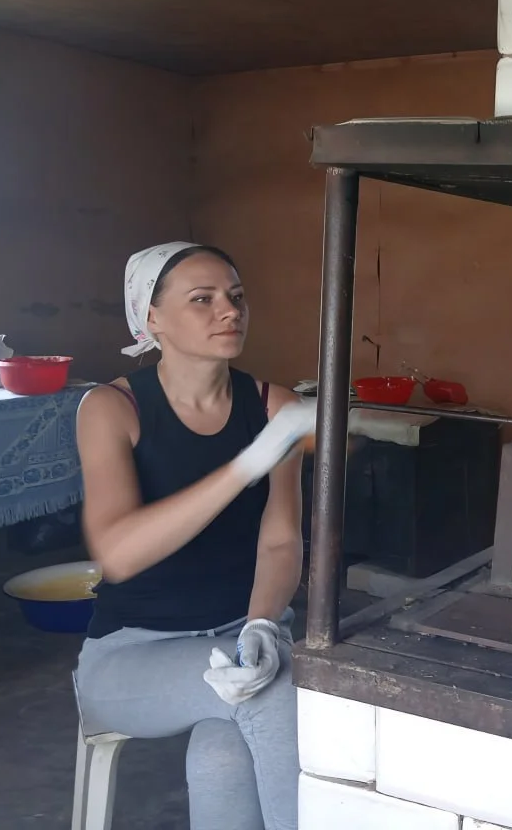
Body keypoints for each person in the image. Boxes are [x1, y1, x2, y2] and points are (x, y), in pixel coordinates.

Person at [74, 241, 318, 830]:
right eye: (202, 299)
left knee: (220, 754)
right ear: (152, 319)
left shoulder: (274, 406)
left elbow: (280, 541)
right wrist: (245, 465)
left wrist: (263, 624)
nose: (229, 310)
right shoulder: (111, 407)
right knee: (273, 694)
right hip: (132, 656)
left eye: (236, 296)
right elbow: (119, 553)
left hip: (244, 634)